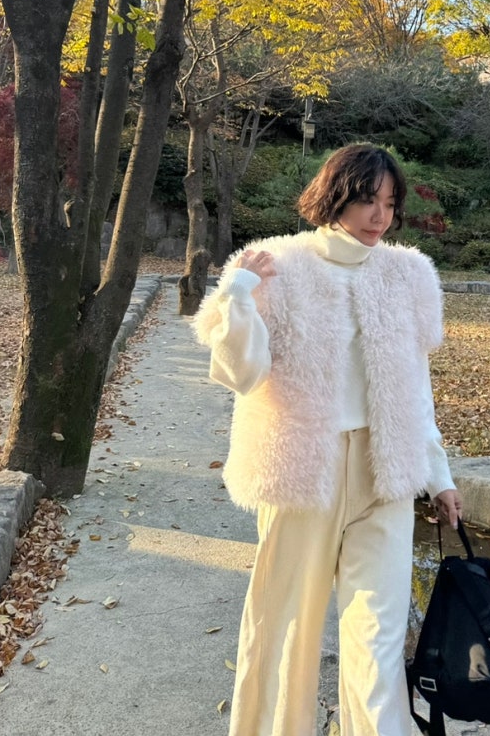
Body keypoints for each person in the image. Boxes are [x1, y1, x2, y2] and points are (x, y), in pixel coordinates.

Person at [193, 143, 462, 736]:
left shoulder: (407, 274)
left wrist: (439, 474)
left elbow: (417, 388)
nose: (380, 216)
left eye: (389, 203)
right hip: (302, 471)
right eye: (368, 200)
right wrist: (237, 295)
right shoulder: (278, 265)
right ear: (335, 195)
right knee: (286, 627)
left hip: (385, 470)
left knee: (379, 637)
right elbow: (240, 374)